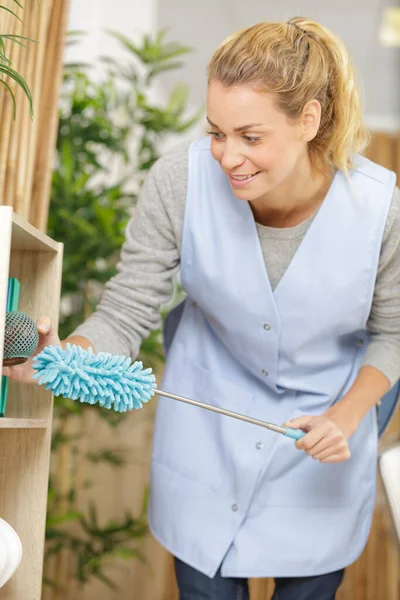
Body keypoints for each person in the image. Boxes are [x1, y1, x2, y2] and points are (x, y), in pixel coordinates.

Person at [4, 16, 400, 600]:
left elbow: (393, 332)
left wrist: (349, 414)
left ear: (308, 120)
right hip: (208, 420)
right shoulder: (179, 181)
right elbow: (128, 307)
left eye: (250, 136)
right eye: (216, 131)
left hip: (324, 425)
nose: (227, 156)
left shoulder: (380, 208)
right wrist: (66, 360)